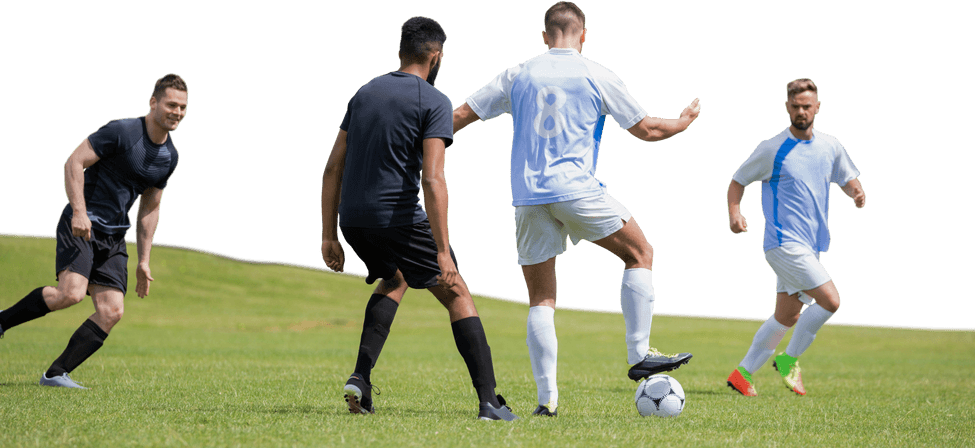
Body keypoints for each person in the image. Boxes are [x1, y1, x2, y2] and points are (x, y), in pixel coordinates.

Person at [452, 1, 701, 417]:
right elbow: (646, 130)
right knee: (639, 253)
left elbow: (460, 115)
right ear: (583, 34)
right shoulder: (596, 73)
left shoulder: (518, 74)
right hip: (575, 191)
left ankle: (546, 403)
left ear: (545, 34)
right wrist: (683, 122)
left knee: (541, 299)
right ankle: (640, 353)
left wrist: (418, 138)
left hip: (528, 196)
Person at [320, 16, 517, 421]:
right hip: (399, 217)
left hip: (353, 219)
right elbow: (433, 178)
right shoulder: (434, 101)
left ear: (401, 51)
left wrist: (328, 236)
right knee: (457, 291)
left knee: (395, 277)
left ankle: (360, 378)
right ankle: (488, 401)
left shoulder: (364, 93)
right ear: (436, 55)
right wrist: (443, 252)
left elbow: (331, 169)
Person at [0, 74, 187, 389]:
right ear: (153, 102)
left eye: (183, 107)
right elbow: (74, 162)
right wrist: (79, 211)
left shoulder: (170, 157)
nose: (177, 112)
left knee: (112, 311)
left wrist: (144, 261)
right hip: (82, 226)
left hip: (113, 237)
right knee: (70, 293)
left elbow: (150, 209)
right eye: (171, 104)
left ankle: (56, 374)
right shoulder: (122, 131)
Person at [725, 78, 866, 397]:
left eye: (807, 106)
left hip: (810, 246)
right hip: (784, 244)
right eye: (795, 106)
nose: (801, 111)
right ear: (787, 107)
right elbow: (738, 181)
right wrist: (735, 213)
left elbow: (847, 178)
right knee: (830, 301)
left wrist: (855, 192)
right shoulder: (772, 148)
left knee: (786, 316)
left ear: (817, 107)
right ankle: (789, 360)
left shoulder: (830, 145)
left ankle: (742, 374)